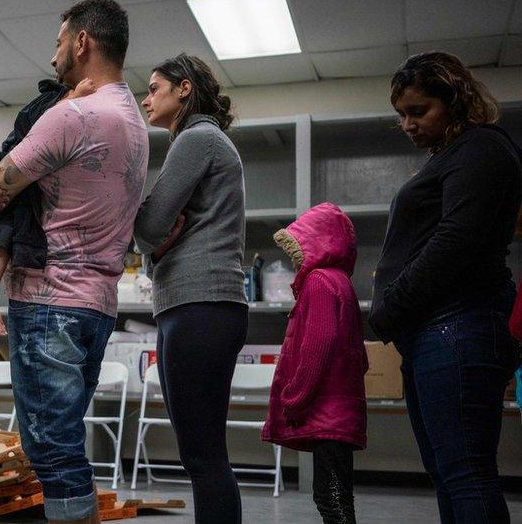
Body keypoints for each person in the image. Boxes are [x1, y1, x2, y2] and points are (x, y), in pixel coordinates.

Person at [0, 0, 148, 524]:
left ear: (83, 42)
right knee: (62, 439)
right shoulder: (133, 118)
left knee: (51, 447)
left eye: (59, 41)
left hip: (51, 302)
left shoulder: (73, 115)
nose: (53, 57)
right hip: (97, 306)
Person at [370, 51, 521, 524]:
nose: (408, 124)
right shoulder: (453, 156)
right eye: (401, 115)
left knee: (466, 474)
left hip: (457, 327)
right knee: (449, 472)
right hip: (435, 333)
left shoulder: (481, 148)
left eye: (419, 111)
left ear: (455, 100)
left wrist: (390, 305)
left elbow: (455, 243)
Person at [131, 53, 247, 523]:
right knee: (204, 453)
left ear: (184, 89)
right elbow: (158, 235)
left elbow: (149, 226)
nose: (145, 98)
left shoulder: (196, 139)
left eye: (154, 87)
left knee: (202, 456)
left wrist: (153, 247)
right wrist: (156, 247)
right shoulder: (208, 141)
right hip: (201, 305)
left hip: (198, 303)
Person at [263, 203, 368, 524]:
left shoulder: (319, 282)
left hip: (326, 412)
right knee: (339, 495)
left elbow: (318, 346)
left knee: (330, 498)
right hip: (342, 411)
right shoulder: (341, 282)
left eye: (297, 247)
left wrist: (295, 397)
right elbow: (359, 357)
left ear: (319, 244)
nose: (295, 257)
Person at [0, 78, 95, 336]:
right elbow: (52, 124)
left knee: (4, 236)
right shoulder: (47, 109)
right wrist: (75, 98)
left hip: (22, 179)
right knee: (3, 236)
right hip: (15, 173)